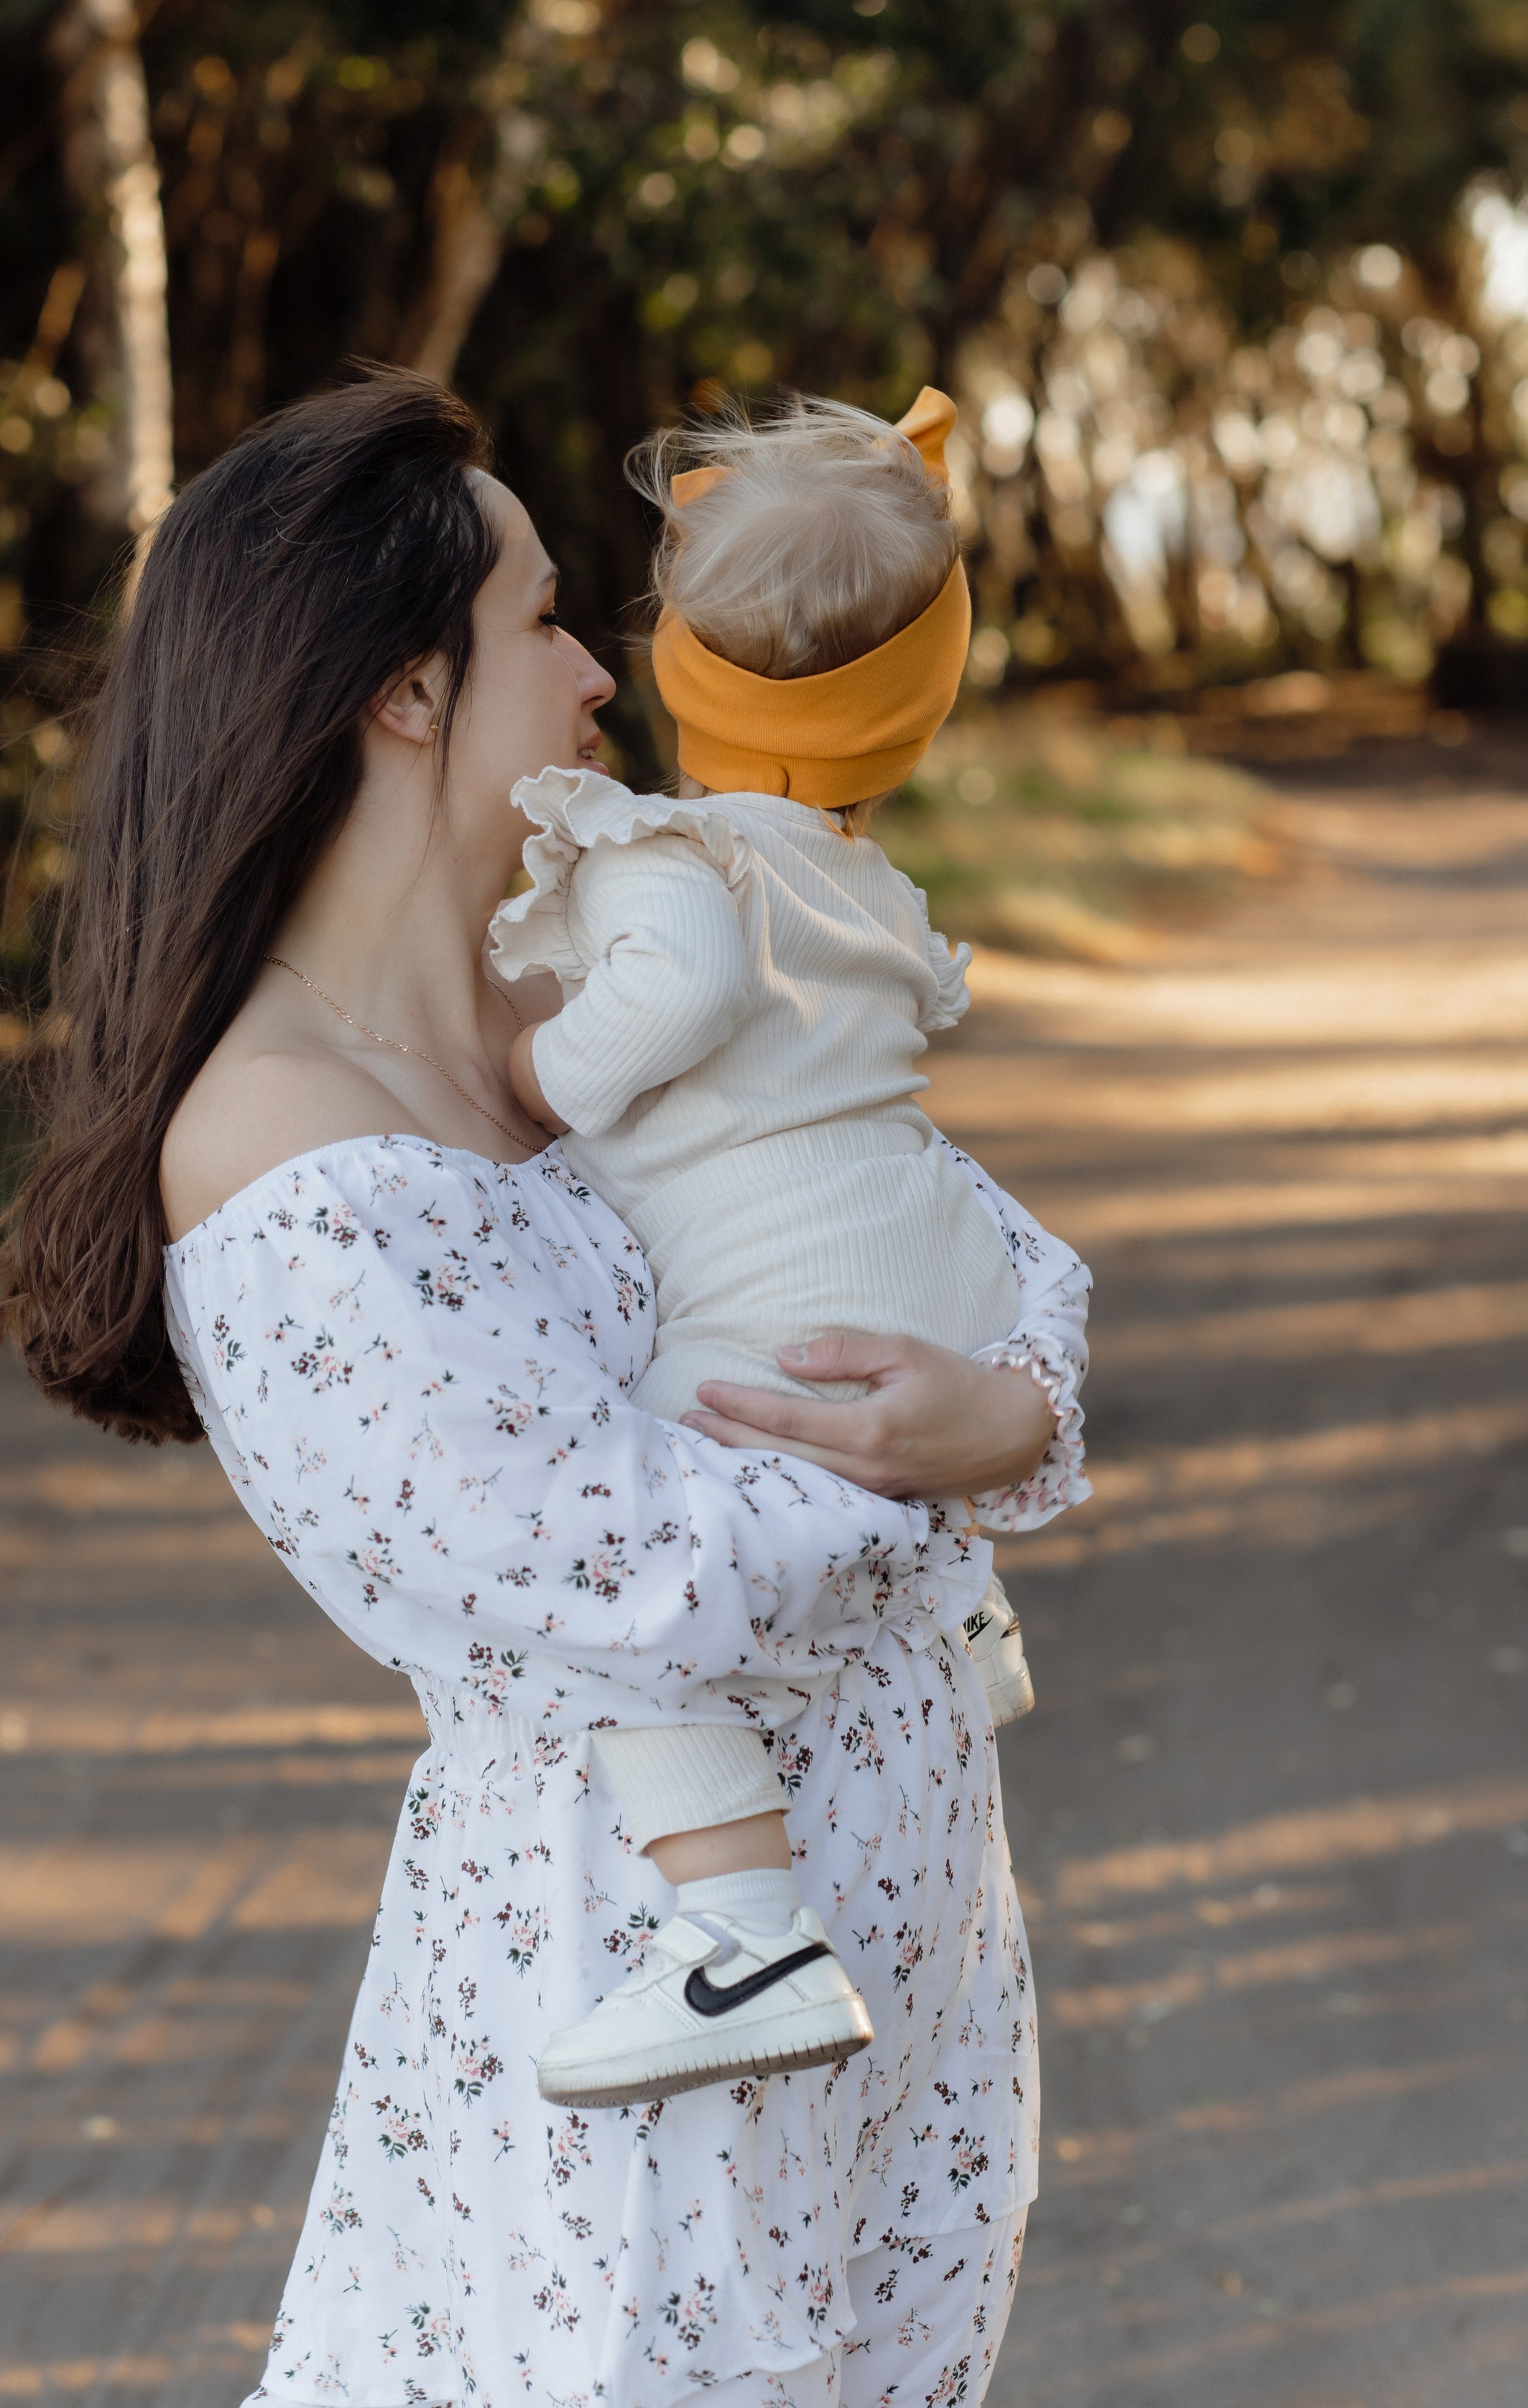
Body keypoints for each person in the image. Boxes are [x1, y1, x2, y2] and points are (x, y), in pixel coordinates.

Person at [0, 371, 1091, 2408]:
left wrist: (1015, 1412)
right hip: (653, 2005)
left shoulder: (585, 989)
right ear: (406, 692)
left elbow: (933, 1220)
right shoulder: (287, 1154)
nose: (601, 675)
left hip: (907, 1952)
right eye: (547, 619)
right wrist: (931, 1461)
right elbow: (627, 1561)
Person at [496, 388, 1088, 2114]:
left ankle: (741, 1931)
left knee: (609, 1585)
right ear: (917, 702)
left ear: (673, 661)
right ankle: (955, 1615)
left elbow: (675, 990)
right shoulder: (859, 880)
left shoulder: (669, 854)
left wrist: (542, 1076)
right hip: (928, 1267)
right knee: (854, 1478)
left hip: (774, 1302)